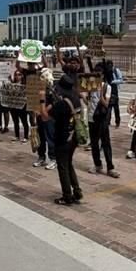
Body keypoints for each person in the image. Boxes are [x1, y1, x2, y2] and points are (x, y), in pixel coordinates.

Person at [44, 74, 83, 205]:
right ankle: (77, 191)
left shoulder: (62, 103)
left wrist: (41, 100)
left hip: (63, 137)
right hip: (74, 137)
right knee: (69, 163)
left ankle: (67, 195)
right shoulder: (76, 98)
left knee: (62, 166)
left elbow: (44, 116)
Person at [87, 62, 120, 178]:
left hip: (101, 119)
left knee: (106, 143)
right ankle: (97, 164)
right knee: (94, 143)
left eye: (99, 74)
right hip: (91, 117)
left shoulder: (107, 87)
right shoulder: (89, 85)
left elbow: (106, 104)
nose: (96, 76)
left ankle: (110, 167)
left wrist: (101, 95)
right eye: (95, 74)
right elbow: (88, 101)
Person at [34, 67, 58, 170]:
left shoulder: (53, 88)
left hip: (49, 117)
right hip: (39, 115)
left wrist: (45, 110)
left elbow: (55, 102)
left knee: (50, 137)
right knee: (41, 137)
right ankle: (41, 157)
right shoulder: (39, 87)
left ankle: (53, 158)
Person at [8, 69, 30, 143]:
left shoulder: (25, 84)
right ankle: (17, 136)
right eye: (16, 75)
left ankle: (26, 137)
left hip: (22, 106)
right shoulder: (12, 84)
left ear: (22, 76)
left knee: (24, 121)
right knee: (15, 121)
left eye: (19, 74)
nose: (17, 76)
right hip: (14, 105)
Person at [105, 60, 123, 127]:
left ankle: (117, 121)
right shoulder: (106, 71)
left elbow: (121, 80)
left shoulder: (116, 70)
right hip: (107, 90)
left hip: (114, 90)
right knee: (108, 107)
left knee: (116, 108)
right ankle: (108, 121)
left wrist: (112, 81)